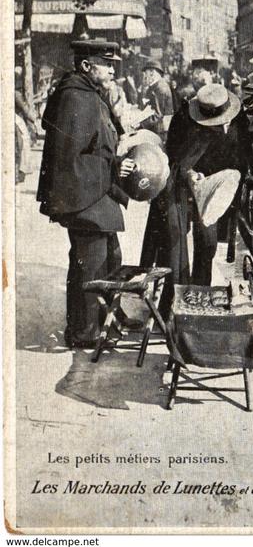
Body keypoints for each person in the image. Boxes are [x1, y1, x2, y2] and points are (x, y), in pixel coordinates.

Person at [140, 83, 253, 317]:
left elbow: (250, 149)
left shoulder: (238, 117)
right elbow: (173, 156)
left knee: (207, 243)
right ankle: (172, 305)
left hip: (218, 190)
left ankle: (199, 297)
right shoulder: (185, 117)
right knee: (174, 244)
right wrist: (189, 174)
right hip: (182, 188)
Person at [36, 39, 135, 348]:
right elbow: (71, 159)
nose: (112, 70)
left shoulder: (90, 93)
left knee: (108, 259)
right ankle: (84, 333)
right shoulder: (76, 98)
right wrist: (116, 167)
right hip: (84, 197)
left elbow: (97, 144)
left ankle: (107, 321)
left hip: (94, 193)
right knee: (90, 267)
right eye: (107, 64)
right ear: (86, 66)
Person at [142, 61, 174, 138]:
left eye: (146, 73)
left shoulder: (160, 88)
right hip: (156, 128)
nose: (145, 77)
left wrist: (141, 124)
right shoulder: (156, 86)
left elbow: (158, 114)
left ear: (152, 73)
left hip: (159, 130)